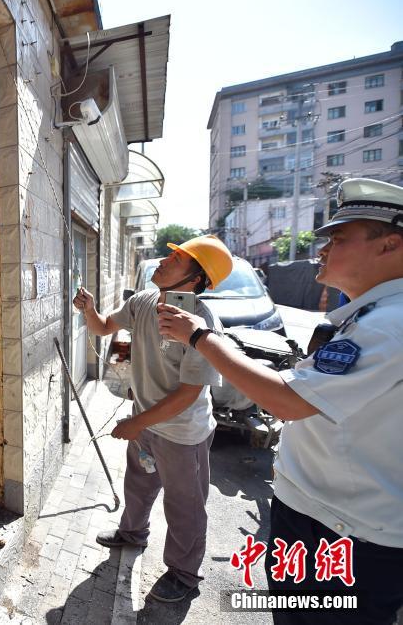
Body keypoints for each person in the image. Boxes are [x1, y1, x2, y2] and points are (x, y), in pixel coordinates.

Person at [158, 179, 403, 624]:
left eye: (339, 238)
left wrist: (199, 337)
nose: (322, 249)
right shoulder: (366, 316)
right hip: (314, 518)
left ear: (390, 245)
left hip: (347, 536)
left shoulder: (390, 326)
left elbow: (288, 401)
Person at [73, 234, 233, 602]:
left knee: (184, 505)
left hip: (182, 433)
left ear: (195, 280)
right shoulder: (143, 301)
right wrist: (89, 309)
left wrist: (137, 423)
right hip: (145, 424)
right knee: (139, 485)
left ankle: (183, 574)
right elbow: (101, 327)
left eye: (176, 260)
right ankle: (133, 534)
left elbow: (189, 393)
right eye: (170, 254)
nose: (164, 260)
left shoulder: (201, 324)